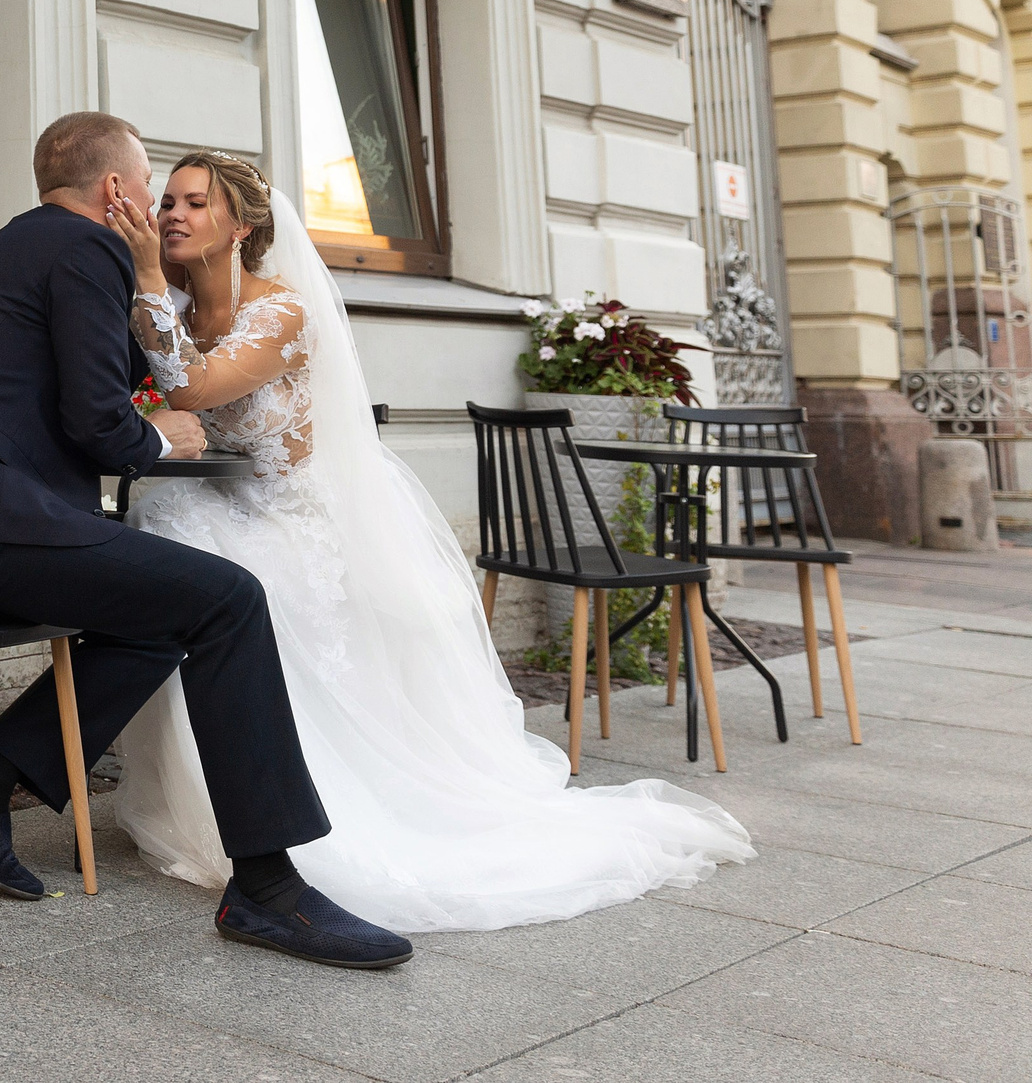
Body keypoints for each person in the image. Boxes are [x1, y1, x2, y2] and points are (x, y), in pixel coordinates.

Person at [109, 149, 755, 932]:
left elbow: (193, 388)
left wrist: (145, 278)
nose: (170, 214)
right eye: (167, 200)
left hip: (296, 519)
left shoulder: (280, 312)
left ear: (240, 226)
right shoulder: (177, 304)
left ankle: (278, 819)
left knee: (204, 566)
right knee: (170, 534)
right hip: (227, 500)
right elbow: (157, 389)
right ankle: (212, 802)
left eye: (193, 203)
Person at [0, 111, 412, 969]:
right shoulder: (88, 249)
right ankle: (268, 891)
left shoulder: (9, 246)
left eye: (190, 201)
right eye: (153, 191)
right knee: (230, 598)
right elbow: (102, 421)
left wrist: (158, 379)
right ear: (116, 191)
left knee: (162, 616)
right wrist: (165, 436)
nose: (162, 212)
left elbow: (99, 385)